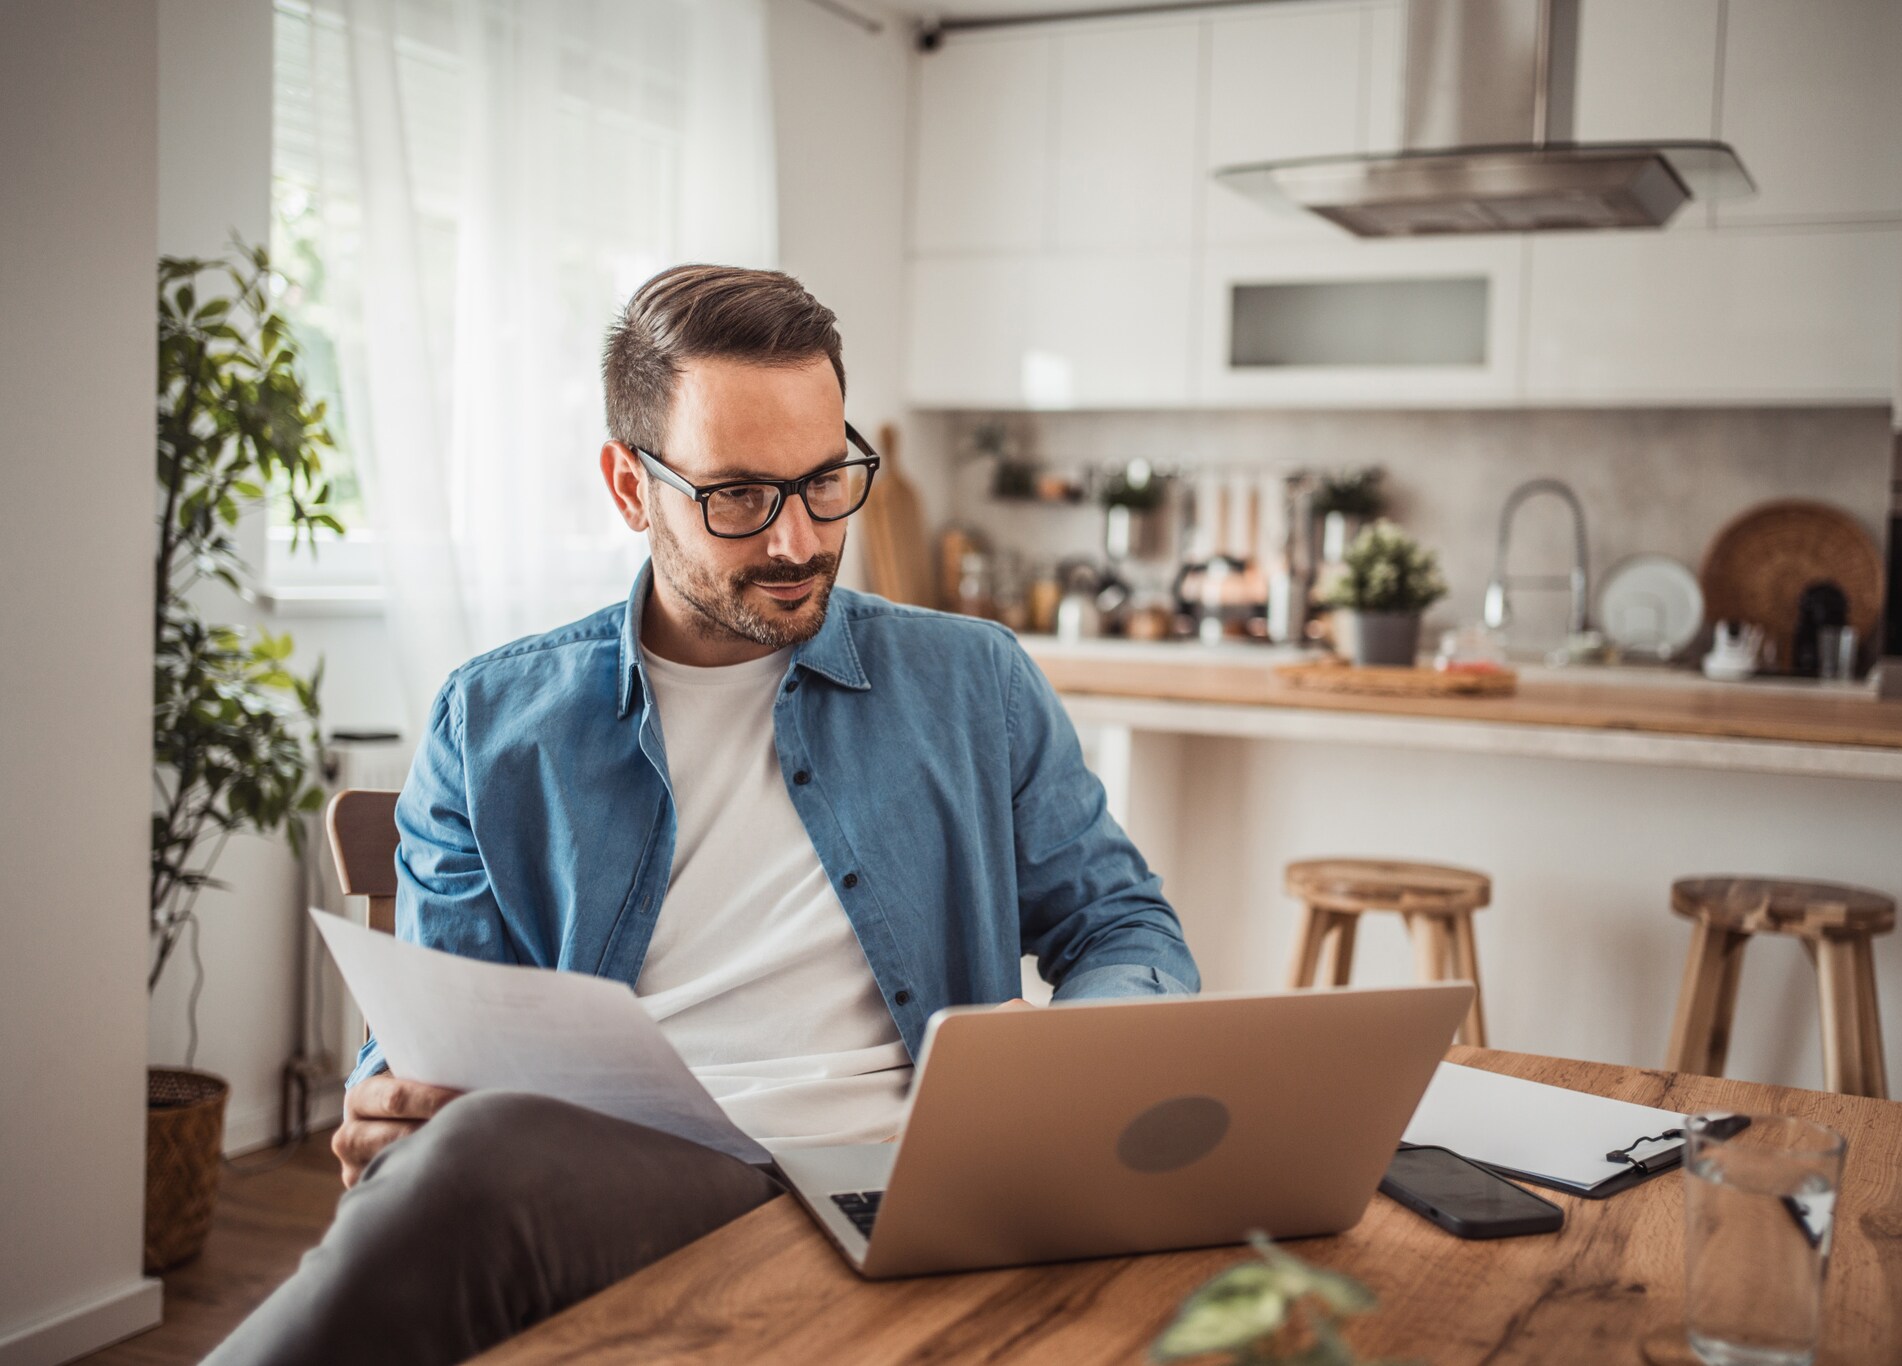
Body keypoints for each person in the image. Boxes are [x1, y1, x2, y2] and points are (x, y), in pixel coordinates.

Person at [206, 264, 1198, 1365]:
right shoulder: (492, 722)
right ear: (630, 489)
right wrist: (389, 1102)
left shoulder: (974, 680)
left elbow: (1121, 926)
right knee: (479, 1146)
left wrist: (1067, 1053)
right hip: (642, 1191)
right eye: (737, 496)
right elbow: (447, 1037)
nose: (795, 540)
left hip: (922, 1183)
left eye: (826, 480)